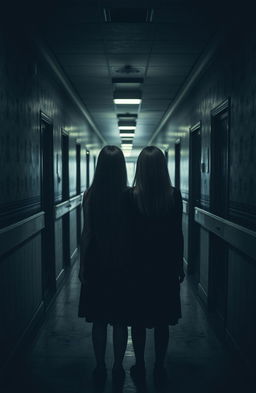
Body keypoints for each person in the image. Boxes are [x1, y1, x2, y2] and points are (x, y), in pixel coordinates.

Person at [123, 146, 185, 386]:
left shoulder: (131, 196)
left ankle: (140, 364)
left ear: (140, 168)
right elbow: (177, 234)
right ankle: (159, 365)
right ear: (162, 168)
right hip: (165, 267)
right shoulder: (173, 195)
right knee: (162, 320)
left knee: (137, 321)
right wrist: (179, 264)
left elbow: (127, 236)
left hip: (137, 267)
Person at [78, 145, 128, 386]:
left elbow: (87, 233)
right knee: (120, 319)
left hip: (97, 261)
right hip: (123, 262)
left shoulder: (90, 195)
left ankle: (100, 366)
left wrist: (82, 265)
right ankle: (118, 366)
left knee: (98, 319)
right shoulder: (130, 195)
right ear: (121, 168)